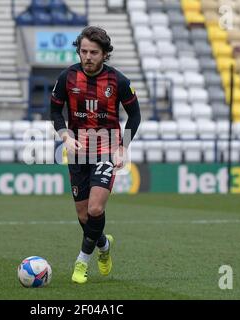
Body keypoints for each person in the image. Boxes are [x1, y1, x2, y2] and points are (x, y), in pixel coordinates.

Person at [50, 26, 141, 284]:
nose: (88, 57)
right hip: (78, 152)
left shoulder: (118, 81)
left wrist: (123, 146)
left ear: (104, 54)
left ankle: (81, 262)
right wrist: (66, 136)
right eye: (84, 51)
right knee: (84, 216)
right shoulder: (67, 78)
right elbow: (55, 112)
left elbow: (135, 115)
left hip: (106, 149)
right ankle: (103, 245)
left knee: (95, 207)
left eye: (94, 52)